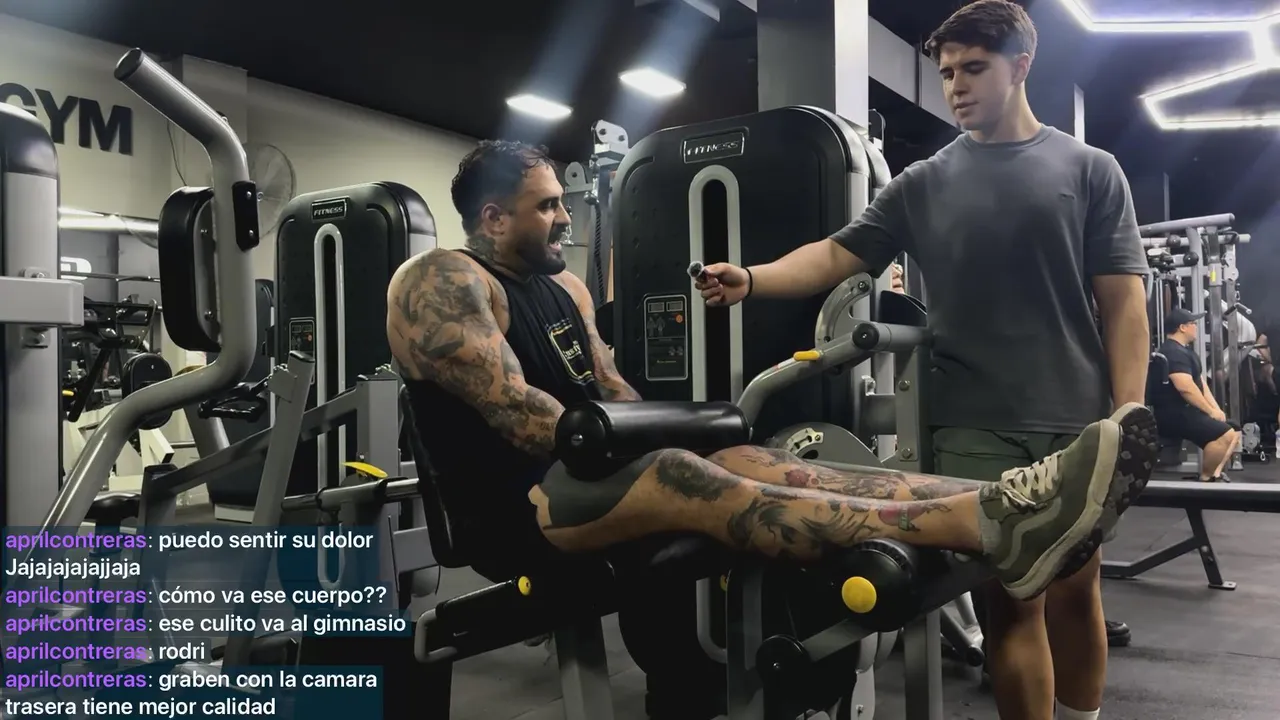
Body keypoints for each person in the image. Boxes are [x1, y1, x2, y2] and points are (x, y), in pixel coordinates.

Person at [387, 138, 1155, 719]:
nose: (563, 217)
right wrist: (652, 451)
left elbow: (614, 393)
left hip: (586, 475)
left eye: (561, 202)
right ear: (493, 218)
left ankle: (1002, 506)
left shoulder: (567, 292)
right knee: (684, 473)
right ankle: (986, 526)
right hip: (517, 509)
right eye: (547, 206)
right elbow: (522, 418)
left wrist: (676, 437)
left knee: (749, 455)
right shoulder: (442, 282)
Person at [693, 2, 1148, 718]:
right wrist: (754, 278)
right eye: (946, 73)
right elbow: (836, 254)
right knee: (1011, 600)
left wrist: (1127, 416)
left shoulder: (1091, 169)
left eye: (974, 69)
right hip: (970, 422)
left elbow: (1123, 304)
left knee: (1075, 590)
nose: (956, 86)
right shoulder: (925, 180)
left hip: (1075, 419)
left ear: (1021, 67)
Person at [1154, 307, 1240, 482]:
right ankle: (1206, 478)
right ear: (1182, 327)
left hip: (1186, 411)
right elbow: (1185, 387)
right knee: (1224, 435)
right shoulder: (1173, 352)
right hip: (1173, 414)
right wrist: (1209, 411)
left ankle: (1215, 473)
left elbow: (1200, 385)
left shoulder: (1186, 352)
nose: (1196, 327)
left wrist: (1216, 410)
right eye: (1193, 323)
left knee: (1234, 429)